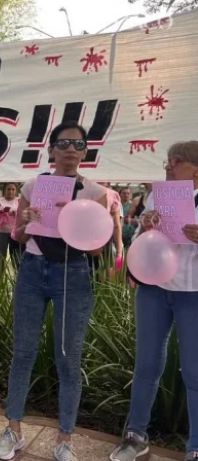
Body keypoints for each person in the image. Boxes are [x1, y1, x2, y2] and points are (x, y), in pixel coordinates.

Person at [0, 122, 110, 461]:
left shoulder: (94, 193)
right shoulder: (32, 185)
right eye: (63, 143)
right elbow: (18, 237)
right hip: (33, 270)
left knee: (68, 359)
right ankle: (13, 430)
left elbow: (96, 251)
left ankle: (65, 438)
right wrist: (27, 221)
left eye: (77, 143)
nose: (70, 149)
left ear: (85, 151)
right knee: (23, 353)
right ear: (52, 150)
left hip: (72, 275)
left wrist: (77, 226)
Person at [109, 141, 198, 461]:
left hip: (193, 293)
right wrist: (145, 227)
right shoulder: (159, 195)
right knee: (146, 363)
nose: (168, 164)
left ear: (196, 169)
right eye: (167, 160)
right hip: (154, 289)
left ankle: (195, 446)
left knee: (194, 371)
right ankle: (135, 435)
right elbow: (141, 242)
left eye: (176, 160)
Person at [0, 183, 23, 267]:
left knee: (15, 256)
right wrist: (3, 211)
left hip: (15, 233)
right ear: (4, 190)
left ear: (16, 191)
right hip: (2, 232)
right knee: (1, 256)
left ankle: (16, 277)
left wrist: (16, 213)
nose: (10, 191)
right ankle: (0, 277)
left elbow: (23, 214)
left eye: (13, 189)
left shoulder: (19, 201)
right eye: (8, 189)